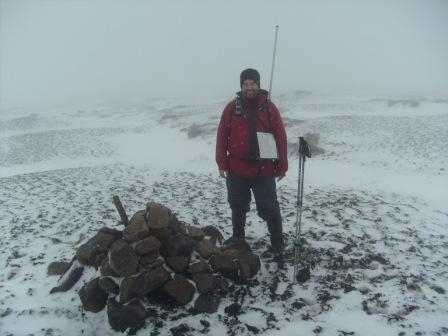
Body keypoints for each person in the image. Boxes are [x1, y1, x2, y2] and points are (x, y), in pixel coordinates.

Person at [215, 68, 288, 252]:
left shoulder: (269, 108)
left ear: (258, 85)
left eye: (252, 84)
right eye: (246, 84)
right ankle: (238, 240)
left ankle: (278, 243)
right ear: (241, 87)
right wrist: (221, 163)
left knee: (269, 208)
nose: (249, 87)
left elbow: (280, 137)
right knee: (237, 206)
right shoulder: (231, 108)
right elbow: (222, 135)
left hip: (263, 169)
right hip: (236, 168)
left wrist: (282, 166)